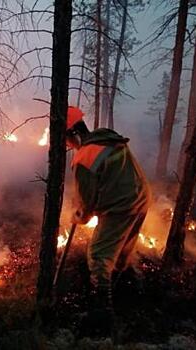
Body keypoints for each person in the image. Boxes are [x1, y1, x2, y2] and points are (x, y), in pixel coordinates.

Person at [66, 106, 151, 337]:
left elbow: (87, 203)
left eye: (67, 139)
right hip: (141, 197)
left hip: (121, 206)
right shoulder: (106, 136)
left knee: (98, 255)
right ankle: (121, 292)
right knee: (121, 251)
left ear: (73, 134)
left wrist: (79, 217)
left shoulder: (83, 158)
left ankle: (102, 316)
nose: (69, 146)